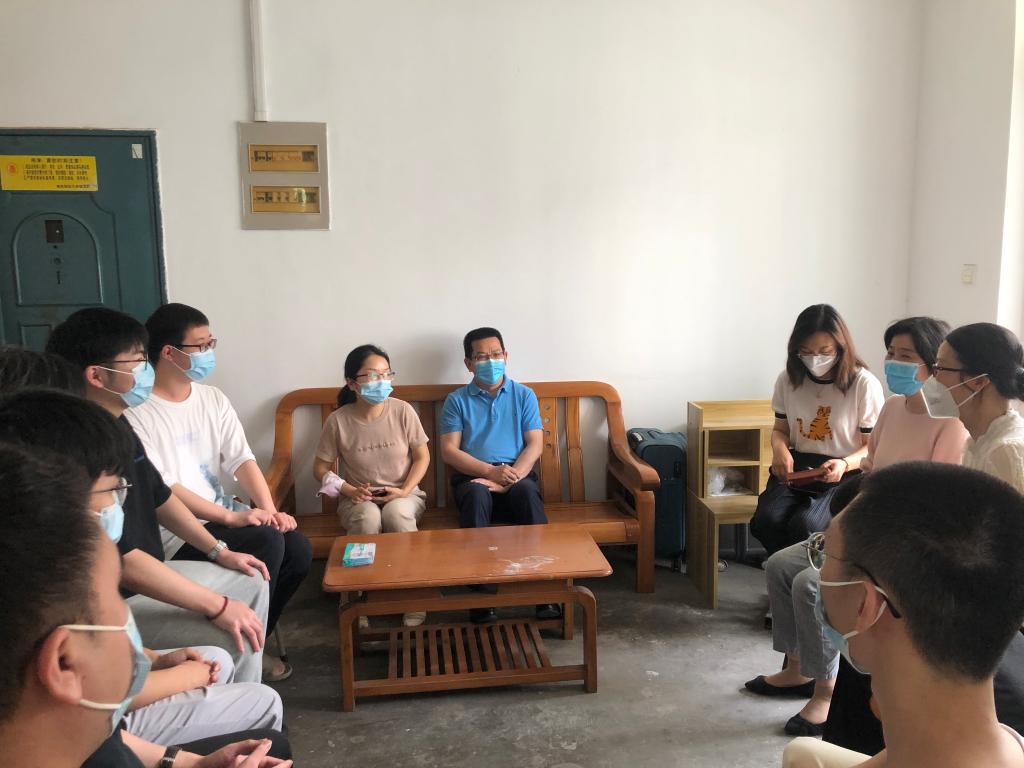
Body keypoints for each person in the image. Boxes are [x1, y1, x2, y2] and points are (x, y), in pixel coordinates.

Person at [0, 388, 284, 746]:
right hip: (100, 718)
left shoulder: (78, 551)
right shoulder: (65, 575)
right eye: (111, 490)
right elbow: (103, 693)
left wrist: (218, 551)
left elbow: (160, 495)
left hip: (106, 706)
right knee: (258, 701)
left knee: (226, 643)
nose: (119, 501)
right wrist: (190, 674)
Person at [745, 317, 968, 736]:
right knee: (780, 565)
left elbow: (937, 505)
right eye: (891, 353)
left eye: (906, 356)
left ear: (934, 364)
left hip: (904, 542)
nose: (894, 363)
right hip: (869, 525)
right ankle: (797, 669)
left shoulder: (950, 423)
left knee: (809, 584)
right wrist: (841, 528)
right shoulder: (894, 408)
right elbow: (869, 473)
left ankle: (825, 691)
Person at [45, 308, 270, 684]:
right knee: (228, 633)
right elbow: (122, 560)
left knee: (252, 579)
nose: (146, 369)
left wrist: (219, 551)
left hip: (150, 572)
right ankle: (229, 703)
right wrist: (218, 607)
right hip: (117, 601)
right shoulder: (75, 450)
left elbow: (159, 496)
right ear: (96, 375)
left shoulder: (118, 425)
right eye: (136, 361)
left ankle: (243, 693)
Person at [782, 462, 1024, 768]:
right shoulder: (1001, 740)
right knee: (802, 753)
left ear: (865, 605)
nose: (819, 569)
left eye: (824, 551)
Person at [122, 303, 311, 682]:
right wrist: (231, 517)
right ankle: (242, 648)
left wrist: (270, 510)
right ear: (169, 352)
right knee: (266, 542)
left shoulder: (212, 399)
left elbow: (242, 459)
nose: (209, 353)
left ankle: (249, 640)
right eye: (201, 345)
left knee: (298, 549)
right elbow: (165, 489)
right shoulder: (137, 412)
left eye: (212, 343)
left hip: (226, 515)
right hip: (180, 532)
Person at [439, 327, 557, 623]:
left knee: (527, 493)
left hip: (517, 476)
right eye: (481, 357)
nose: (490, 361)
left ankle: (545, 591)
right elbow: (449, 451)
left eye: (495, 354)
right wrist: (491, 472)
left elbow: (534, 444)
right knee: (477, 494)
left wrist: (509, 477)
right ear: (468, 363)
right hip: (474, 478)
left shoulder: (523, 395)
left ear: (505, 356)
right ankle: (482, 595)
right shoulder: (456, 400)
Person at [750, 304, 884, 556]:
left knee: (807, 525)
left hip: (845, 472)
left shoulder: (863, 383)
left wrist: (844, 464)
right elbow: (780, 430)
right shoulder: (788, 379)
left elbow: (872, 447)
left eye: (825, 351)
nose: (815, 358)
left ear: (841, 347)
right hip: (799, 467)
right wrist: (779, 450)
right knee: (767, 519)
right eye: (806, 351)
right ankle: (785, 571)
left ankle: (809, 573)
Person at [313, 344, 430, 628]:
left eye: (386, 374)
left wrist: (404, 490)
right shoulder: (338, 421)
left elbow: (422, 456)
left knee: (396, 514)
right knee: (367, 518)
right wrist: (348, 490)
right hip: (358, 498)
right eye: (373, 375)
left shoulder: (402, 411)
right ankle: (356, 596)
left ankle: (412, 594)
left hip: (404, 494)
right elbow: (320, 468)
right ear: (352, 383)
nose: (382, 381)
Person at [924, 322, 1024, 493]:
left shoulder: (1005, 451)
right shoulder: (977, 442)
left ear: (978, 381)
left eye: (940, 368)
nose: (933, 378)